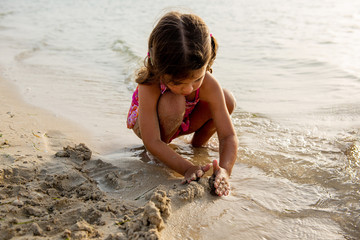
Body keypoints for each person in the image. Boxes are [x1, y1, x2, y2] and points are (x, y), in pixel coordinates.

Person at [127, 11, 238, 196]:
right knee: (174, 101)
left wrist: (225, 170)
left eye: (196, 80)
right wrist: (187, 168)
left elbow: (228, 136)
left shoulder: (209, 84)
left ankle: (198, 145)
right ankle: (163, 154)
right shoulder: (150, 83)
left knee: (227, 100)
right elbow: (151, 140)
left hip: (184, 119)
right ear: (159, 68)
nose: (188, 89)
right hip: (150, 125)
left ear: (207, 63)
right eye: (177, 83)